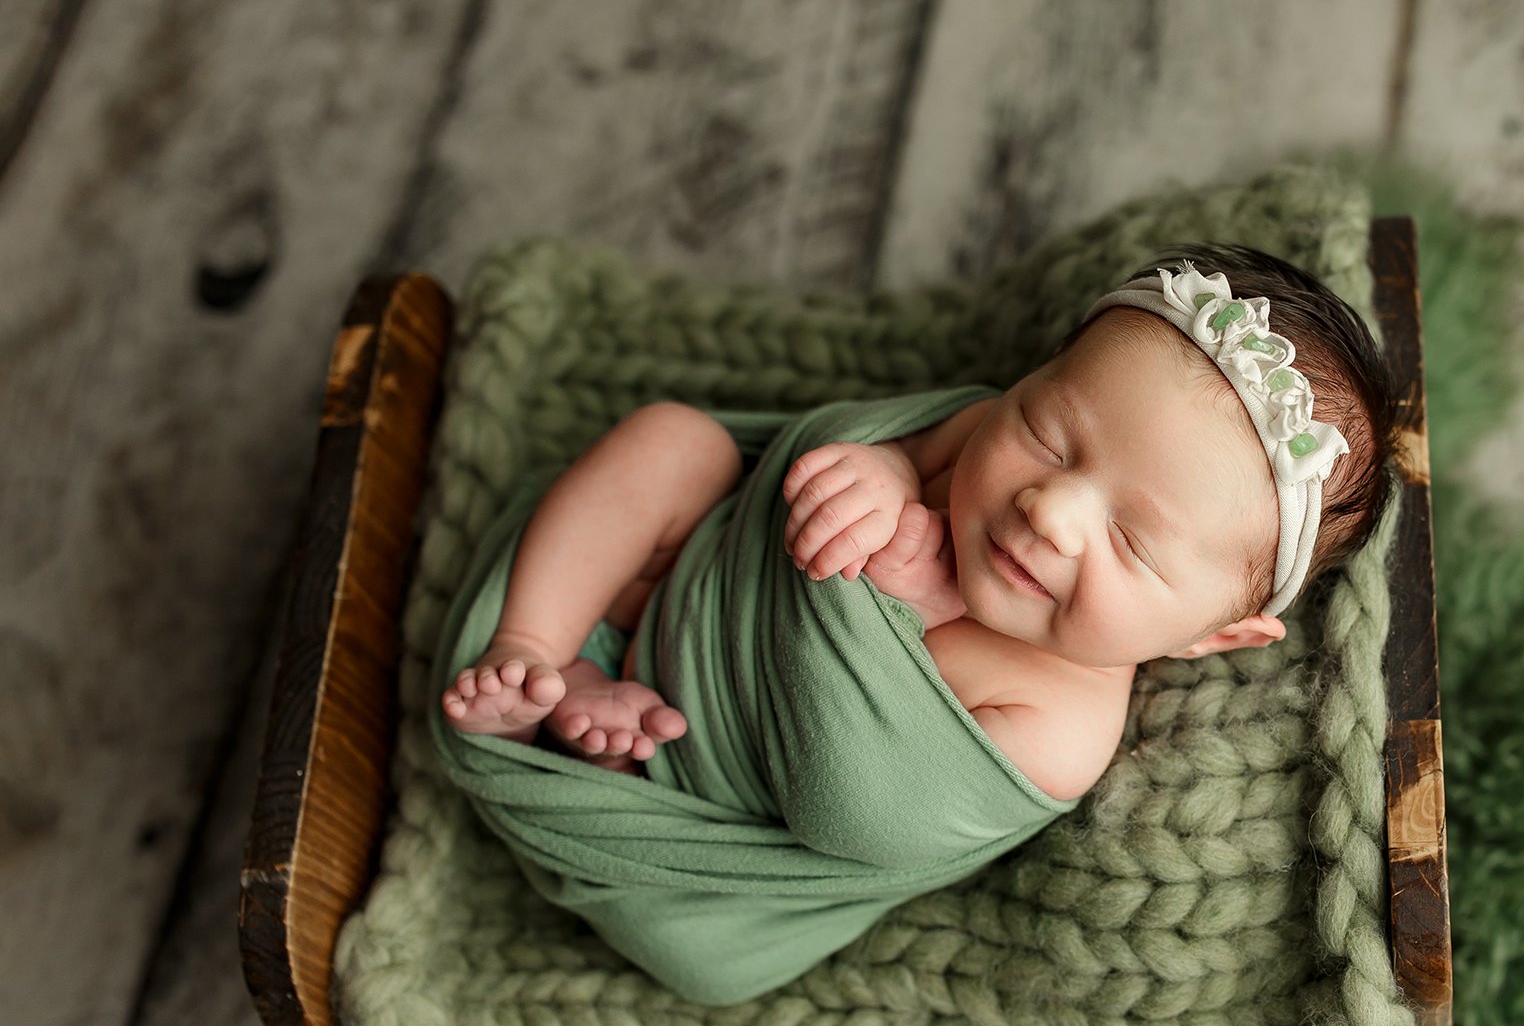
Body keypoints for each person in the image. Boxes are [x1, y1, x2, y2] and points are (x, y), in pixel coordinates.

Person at [440, 243, 1398, 804]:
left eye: (1134, 541)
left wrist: (910, 613)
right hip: (691, 569)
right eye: (1048, 432)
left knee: (677, 772)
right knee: (672, 442)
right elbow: (895, 442)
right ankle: (537, 643)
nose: (1052, 508)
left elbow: (853, 810)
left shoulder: (1060, 730)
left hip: (715, 768)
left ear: (1211, 636)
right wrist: (878, 466)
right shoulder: (983, 442)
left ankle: (586, 729)